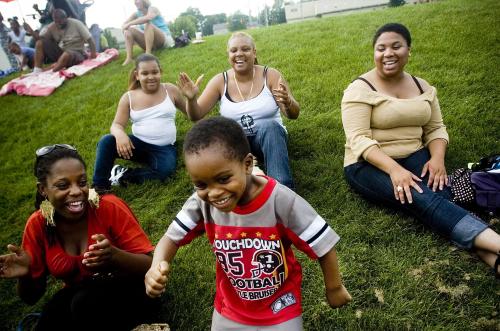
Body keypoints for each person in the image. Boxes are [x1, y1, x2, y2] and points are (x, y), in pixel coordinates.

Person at [145, 117, 351, 329]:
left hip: (280, 307)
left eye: (224, 179)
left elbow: (323, 244)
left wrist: (334, 287)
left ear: (247, 164)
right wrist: (155, 267)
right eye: (201, 184)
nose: (214, 192)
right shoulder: (201, 203)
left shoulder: (281, 201)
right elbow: (171, 237)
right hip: (230, 307)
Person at [341, 23, 500, 276]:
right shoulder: (359, 89)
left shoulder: (422, 86)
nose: (388, 53)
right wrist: (394, 170)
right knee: (421, 198)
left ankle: (493, 260)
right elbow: (358, 139)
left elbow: (436, 128)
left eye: (396, 46)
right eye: (381, 48)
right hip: (368, 163)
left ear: (408, 51)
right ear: (374, 53)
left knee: (444, 195)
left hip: (415, 154)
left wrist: (437, 158)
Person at [0, 144, 159, 330]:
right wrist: (26, 275)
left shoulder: (108, 207)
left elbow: (151, 266)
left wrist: (115, 256)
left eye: (82, 182)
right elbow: (31, 298)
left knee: (84, 304)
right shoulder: (38, 224)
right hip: (79, 293)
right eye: (63, 185)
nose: (76, 191)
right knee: (49, 319)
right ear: (43, 189)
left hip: (133, 289)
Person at [178, 32, 300, 190]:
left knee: (269, 126)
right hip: (237, 143)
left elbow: (293, 114)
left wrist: (288, 102)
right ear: (228, 54)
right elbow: (195, 115)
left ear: (254, 52)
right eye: (234, 50)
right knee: (219, 134)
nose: (239, 54)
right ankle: (219, 189)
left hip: (270, 139)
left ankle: (282, 189)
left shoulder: (270, 75)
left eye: (245, 49)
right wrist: (191, 99)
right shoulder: (220, 81)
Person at [93, 53, 189, 193]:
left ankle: (122, 174)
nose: (151, 77)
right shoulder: (129, 97)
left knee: (165, 172)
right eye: (145, 73)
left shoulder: (170, 90)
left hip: (164, 148)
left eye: (155, 72)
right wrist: (120, 135)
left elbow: (191, 114)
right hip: (136, 145)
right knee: (106, 141)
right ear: (137, 75)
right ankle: (99, 187)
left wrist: (191, 99)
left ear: (160, 72)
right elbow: (116, 125)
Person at [22, 9, 96, 73]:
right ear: (54, 20)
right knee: (39, 43)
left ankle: (51, 71)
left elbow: (90, 40)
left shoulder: (76, 23)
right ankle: (37, 71)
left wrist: (93, 56)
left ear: (66, 17)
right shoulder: (52, 26)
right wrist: (31, 31)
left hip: (78, 52)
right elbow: (40, 39)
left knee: (66, 55)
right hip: (62, 52)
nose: (59, 23)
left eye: (61, 20)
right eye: (56, 21)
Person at [121, 0, 174, 66]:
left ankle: (148, 55)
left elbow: (148, 18)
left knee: (148, 24)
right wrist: (125, 28)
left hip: (164, 39)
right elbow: (124, 24)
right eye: (135, 0)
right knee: (129, 30)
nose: (135, 2)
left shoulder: (153, 9)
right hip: (151, 42)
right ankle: (129, 58)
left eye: (138, 0)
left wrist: (129, 23)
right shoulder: (136, 14)